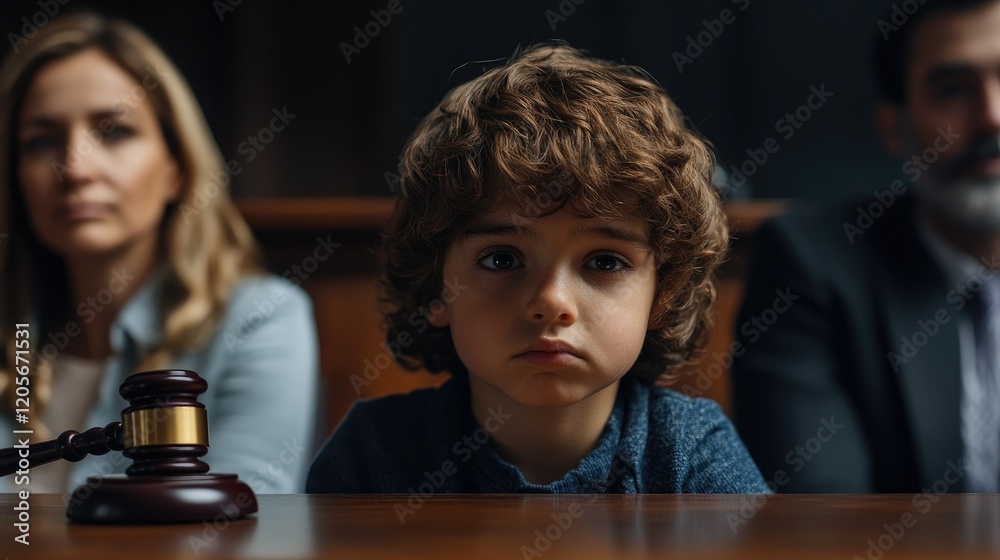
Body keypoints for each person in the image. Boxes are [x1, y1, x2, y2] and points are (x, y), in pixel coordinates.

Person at [307, 43, 769, 494]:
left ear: (663, 296)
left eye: (605, 261)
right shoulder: (373, 450)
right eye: (501, 259)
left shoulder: (692, 453)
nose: (552, 301)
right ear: (435, 290)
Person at [0, 13, 319, 493]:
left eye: (113, 131)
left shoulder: (260, 320)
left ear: (177, 167)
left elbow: (240, 522)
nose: (75, 167)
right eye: (42, 141)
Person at [732, 0, 1000, 492]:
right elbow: (822, 515)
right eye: (953, 90)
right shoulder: (809, 261)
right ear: (894, 127)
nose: (992, 117)